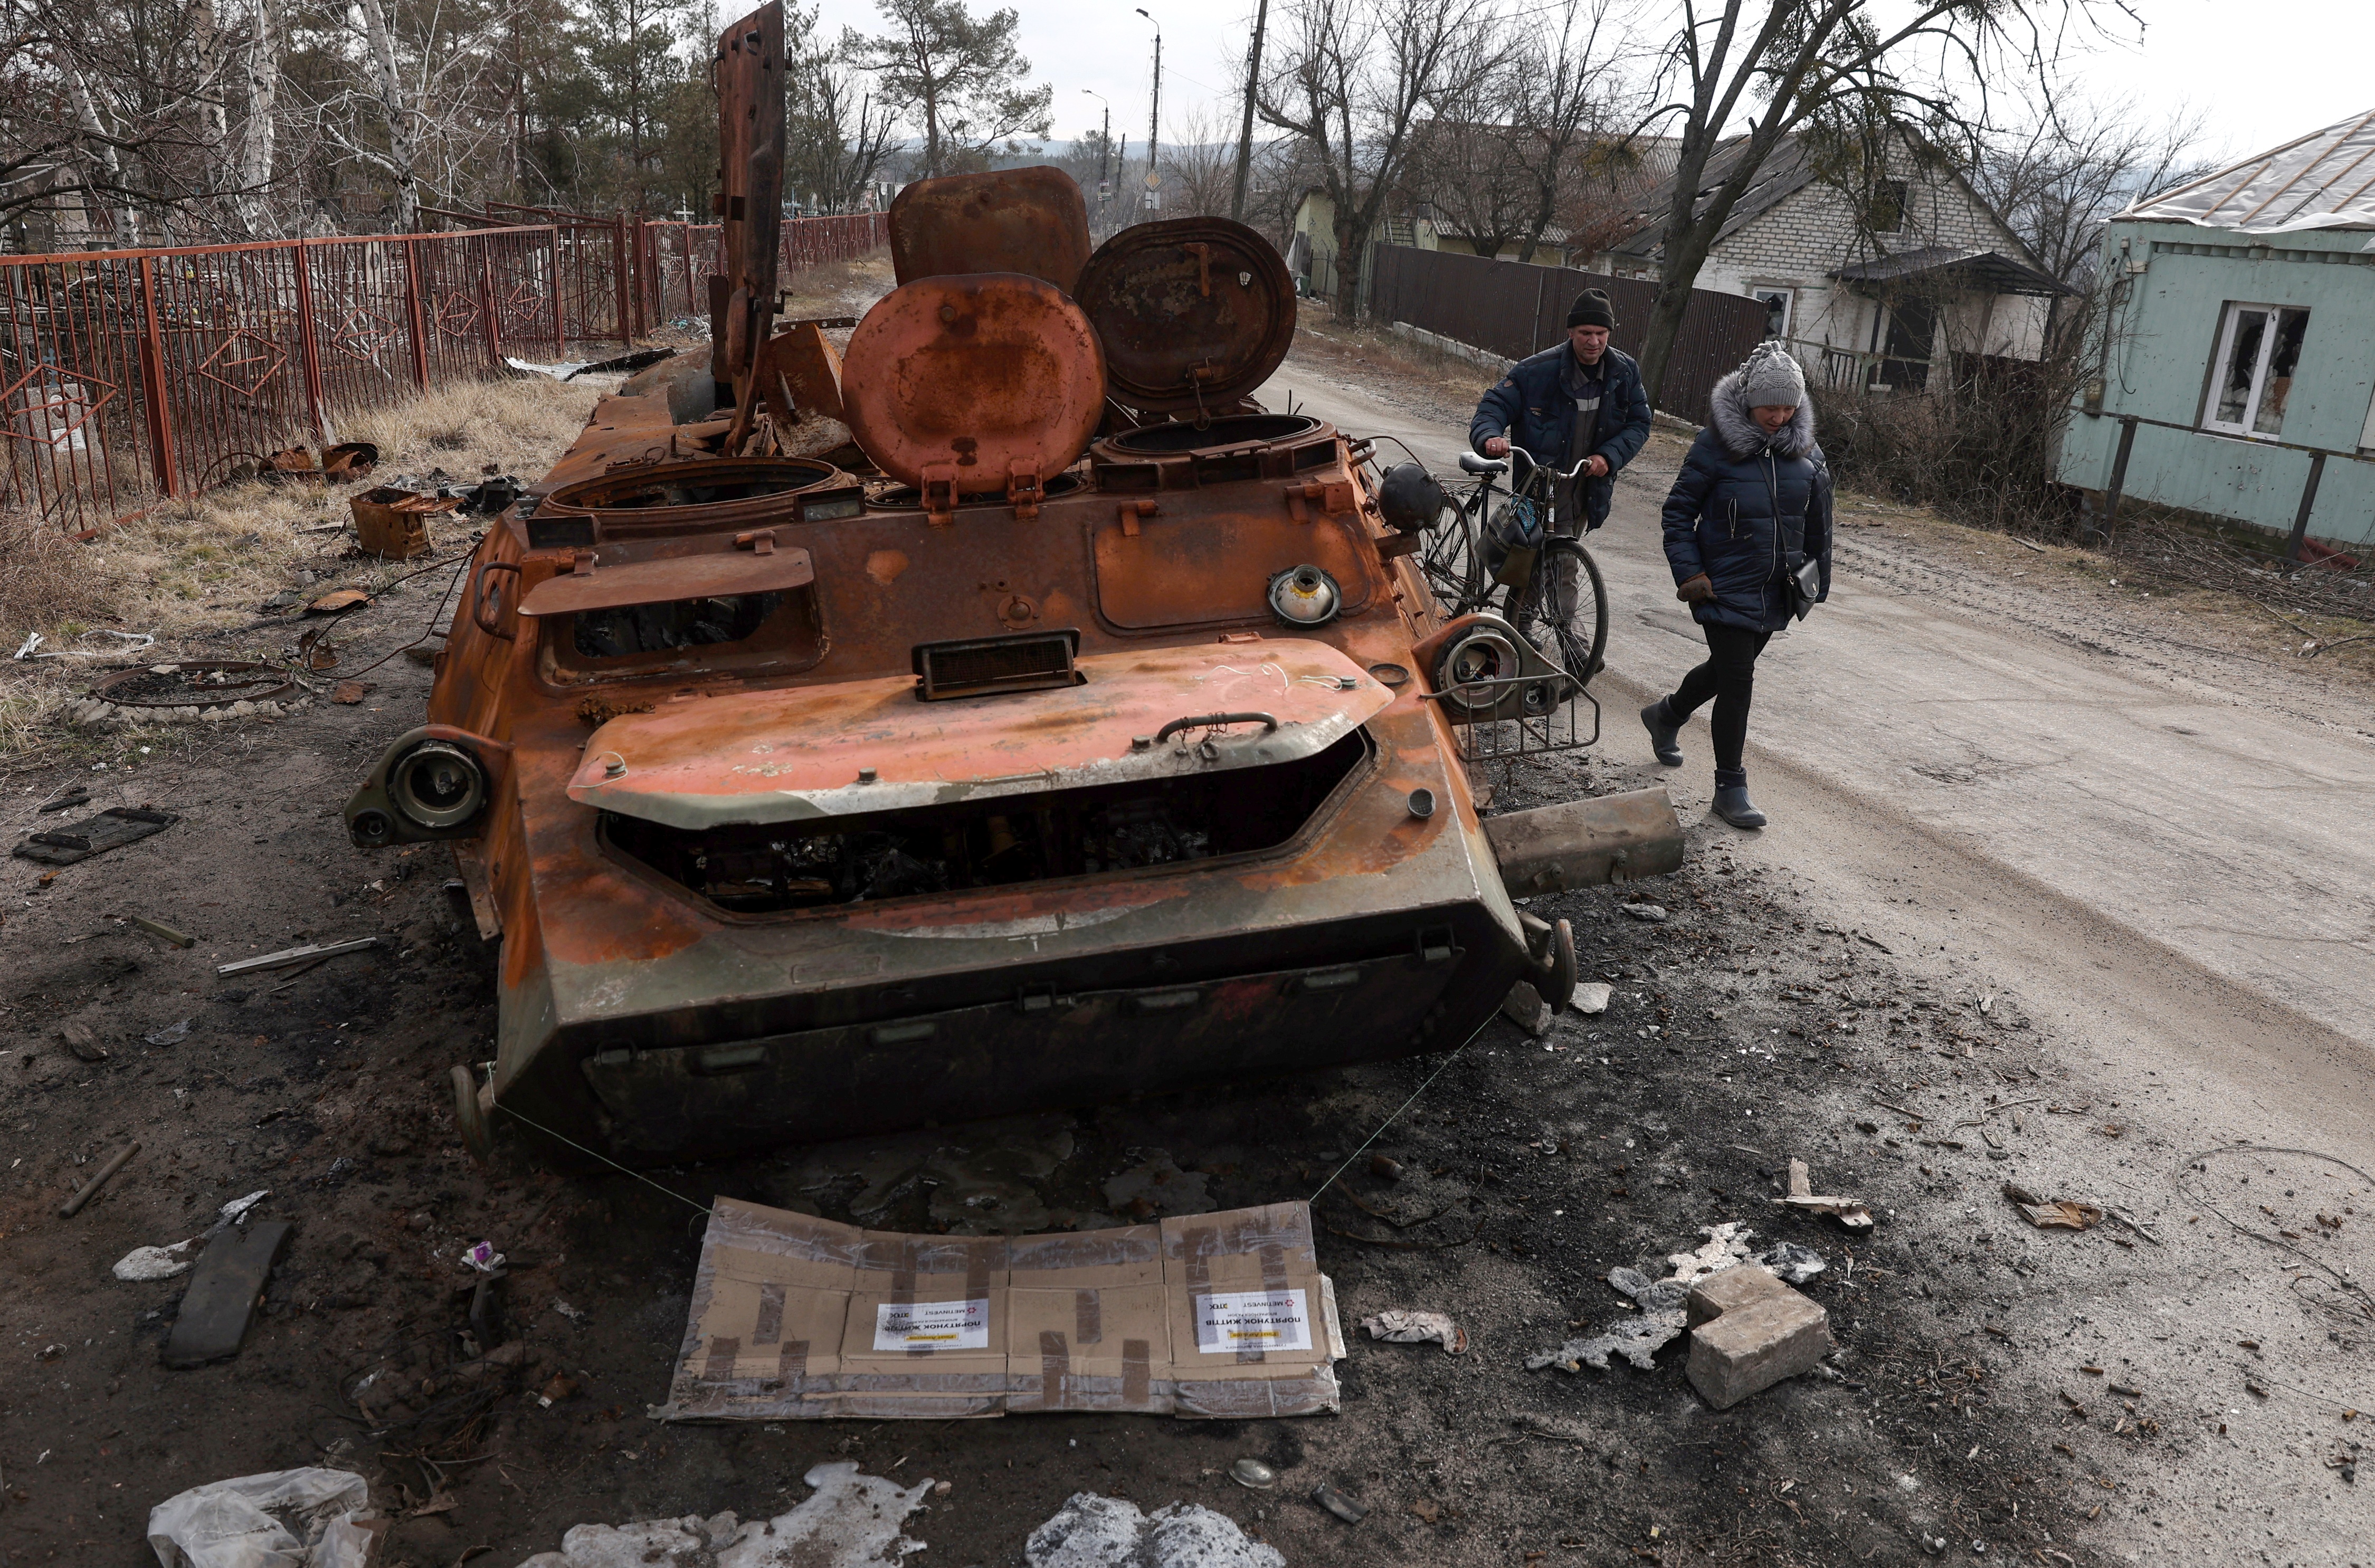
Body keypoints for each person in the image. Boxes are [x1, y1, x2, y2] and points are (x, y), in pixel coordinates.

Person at [1640, 341, 1832, 829]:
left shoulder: (1807, 452)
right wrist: (1690, 574)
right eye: (1771, 406)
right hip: (1721, 585)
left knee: (1727, 672)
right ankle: (1730, 787)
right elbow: (1678, 513)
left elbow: (1819, 524)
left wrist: (1816, 581)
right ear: (1749, 402)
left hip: (1776, 589)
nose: (1780, 416)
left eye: (1789, 407)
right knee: (1739, 683)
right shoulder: (1714, 446)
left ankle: (1667, 714)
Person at [1468, 288, 1653, 642]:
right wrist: (1491, 436)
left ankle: (1519, 631)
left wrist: (1608, 457)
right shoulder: (1537, 371)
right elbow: (1494, 405)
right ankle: (1571, 643)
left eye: (1601, 334)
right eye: (1586, 333)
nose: (1594, 342)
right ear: (1570, 333)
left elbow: (1639, 424)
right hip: (1539, 484)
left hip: (1585, 486)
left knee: (1549, 561)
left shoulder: (1624, 373)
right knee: (1542, 563)